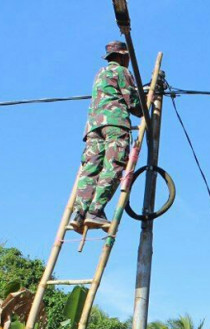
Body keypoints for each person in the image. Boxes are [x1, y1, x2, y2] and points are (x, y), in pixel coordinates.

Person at [69, 40, 144, 234]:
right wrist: (144, 102)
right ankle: (95, 210)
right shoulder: (122, 71)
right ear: (122, 56)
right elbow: (134, 104)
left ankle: (80, 213)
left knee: (90, 169)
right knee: (114, 165)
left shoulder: (99, 73)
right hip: (115, 123)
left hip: (93, 127)